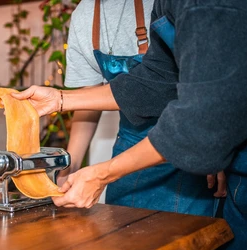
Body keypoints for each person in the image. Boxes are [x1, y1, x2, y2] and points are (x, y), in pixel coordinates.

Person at [12, 0, 247, 250]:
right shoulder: (163, 5)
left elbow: (204, 118)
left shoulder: (202, 4)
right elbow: (157, 80)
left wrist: (102, 173)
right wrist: (61, 100)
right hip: (169, 138)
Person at [61, 0, 224, 218]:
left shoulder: (167, 5)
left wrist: (217, 143)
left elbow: (208, 79)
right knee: (120, 236)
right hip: (127, 148)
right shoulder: (83, 15)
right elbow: (89, 97)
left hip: (185, 140)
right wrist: (71, 164)